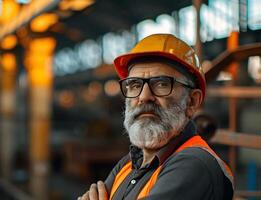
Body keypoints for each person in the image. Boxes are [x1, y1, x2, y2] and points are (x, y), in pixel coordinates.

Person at [77, 34, 234, 200]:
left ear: (192, 102)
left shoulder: (194, 165)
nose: (144, 96)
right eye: (135, 85)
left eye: (161, 84)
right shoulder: (128, 164)